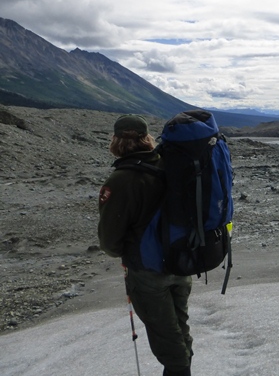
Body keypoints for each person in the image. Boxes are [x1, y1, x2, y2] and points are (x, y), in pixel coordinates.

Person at [98, 114, 194, 376]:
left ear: (116, 141)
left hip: (147, 271)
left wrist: (124, 251)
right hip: (182, 262)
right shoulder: (171, 166)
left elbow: (110, 242)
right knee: (178, 328)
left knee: (167, 337)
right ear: (147, 139)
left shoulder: (120, 181)